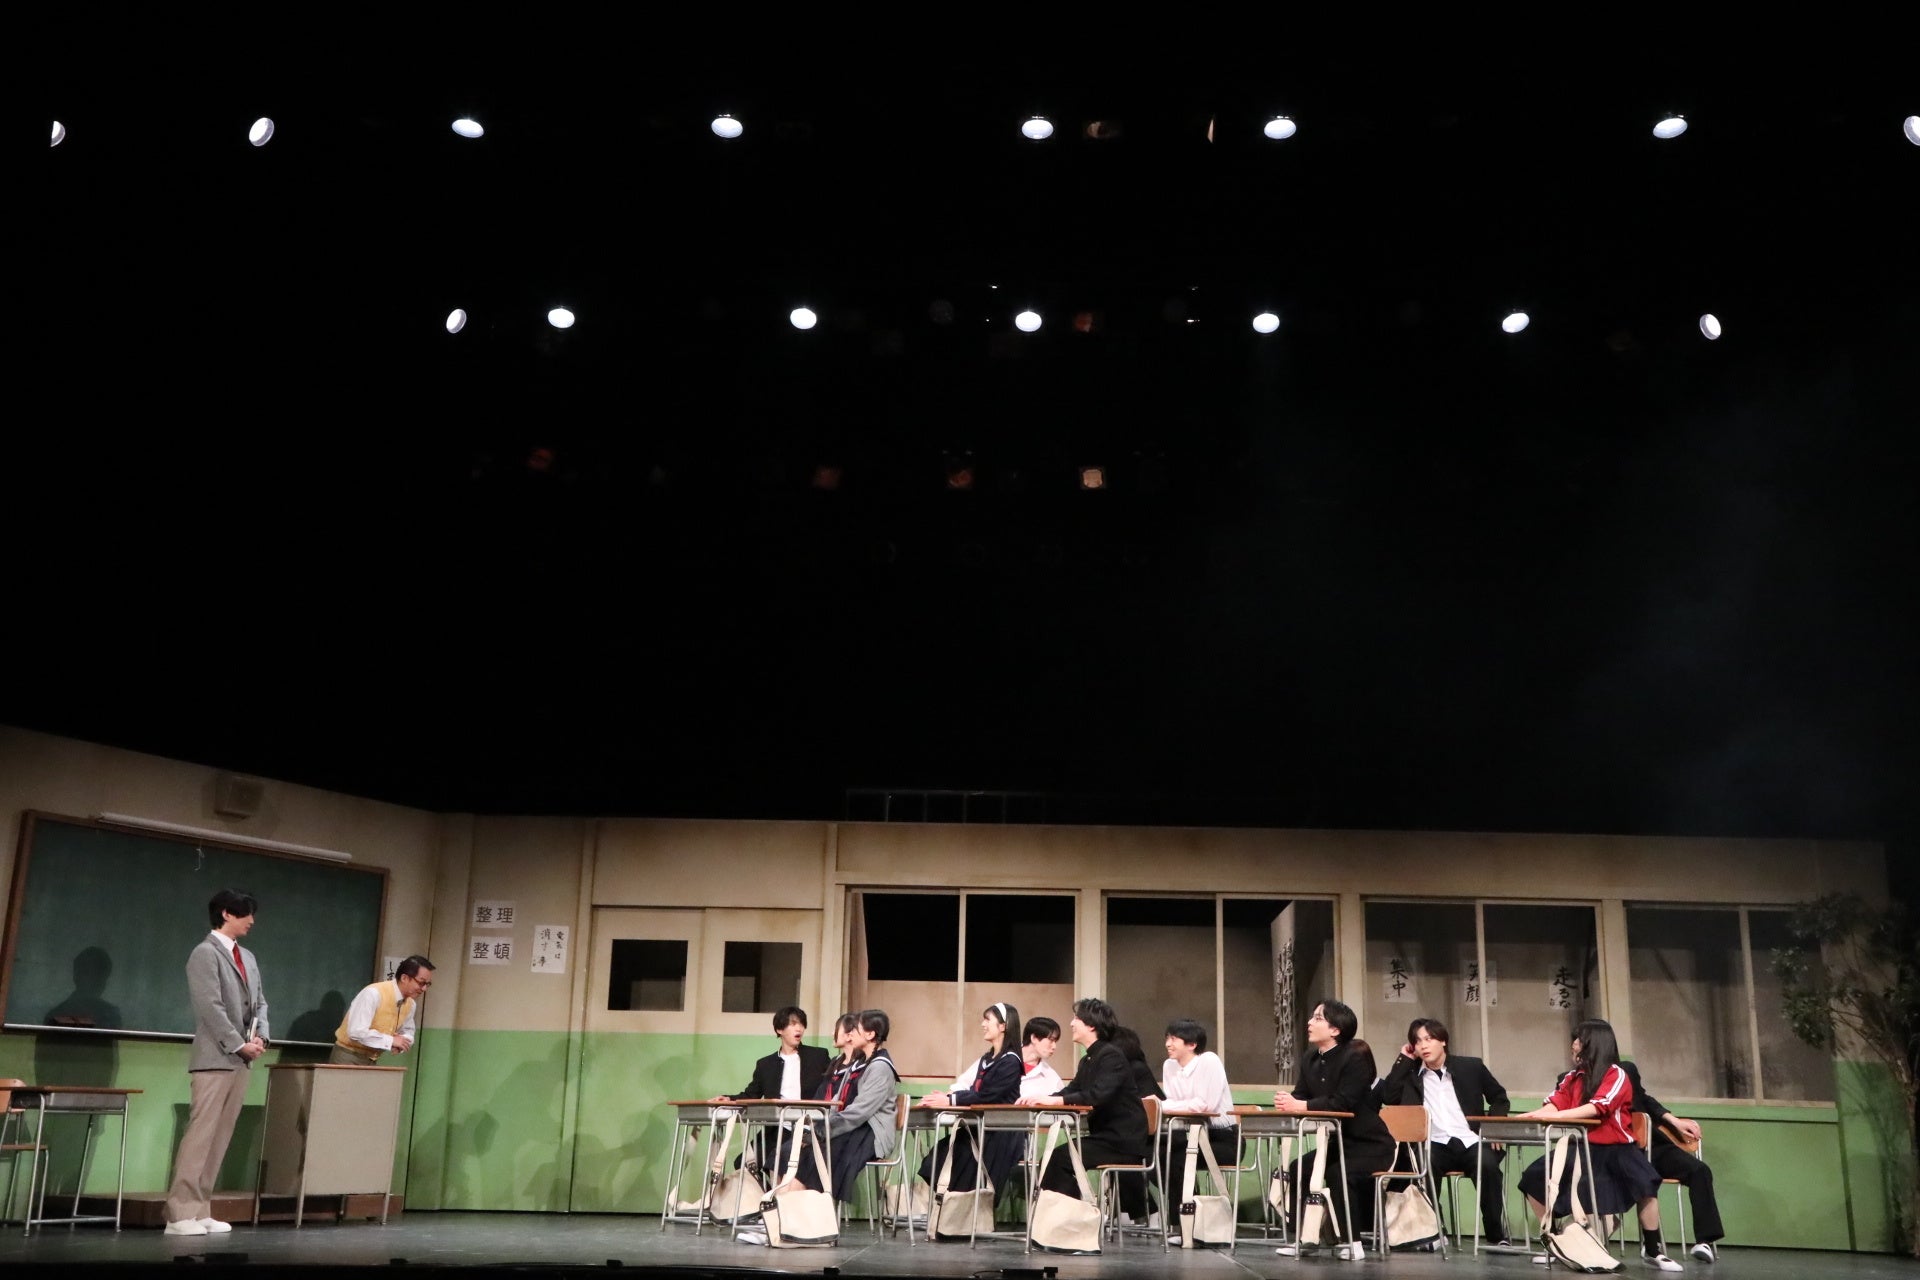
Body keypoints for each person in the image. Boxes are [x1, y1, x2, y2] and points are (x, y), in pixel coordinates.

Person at [1516, 1019, 1681, 1272]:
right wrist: (1532, 1115)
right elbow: (1555, 1104)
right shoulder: (1573, 1077)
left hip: (1617, 1148)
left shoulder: (1617, 1075)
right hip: (1582, 1147)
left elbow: (1598, 1107)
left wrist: (1560, 1116)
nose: (1573, 1045)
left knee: (1646, 1184)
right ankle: (1557, 1243)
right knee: (1533, 1178)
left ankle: (1653, 1250)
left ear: (1594, 1043)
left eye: (1578, 1040)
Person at [163, 889, 268, 1236]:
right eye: (246, 913)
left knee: (220, 1137)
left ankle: (200, 1209)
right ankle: (179, 1214)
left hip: (240, 1060)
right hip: (215, 1058)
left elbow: (261, 1003)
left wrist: (260, 1037)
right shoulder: (204, 953)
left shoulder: (247, 957)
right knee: (201, 1135)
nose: (251, 921)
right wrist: (238, 1044)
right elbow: (210, 1006)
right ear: (226, 914)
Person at [1272, 999, 1394, 1257]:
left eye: (1318, 1018)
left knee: (1340, 1173)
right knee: (1299, 1168)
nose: (1310, 1022)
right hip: (1338, 1144)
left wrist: (1302, 1105)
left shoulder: (1354, 1058)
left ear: (1335, 1029)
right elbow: (1302, 1094)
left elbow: (1343, 1102)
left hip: (1370, 1145)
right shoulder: (1310, 1058)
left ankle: (1353, 1243)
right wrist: (1288, 1101)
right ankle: (1306, 1239)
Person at [1378, 1015, 1513, 1245]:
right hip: (1434, 1142)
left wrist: (1495, 1126)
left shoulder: (1471, 1067)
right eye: (1417, 1041)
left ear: (1443, 1041)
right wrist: (1404, 1059)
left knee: (1488, 1166)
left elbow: (1499, 1097)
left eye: (1429, 1039)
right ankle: (1435, 1230)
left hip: (1469, 1139)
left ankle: (1495, 1234)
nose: (1423, 1045)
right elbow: (1389, 1097)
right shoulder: (1411, 1074)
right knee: (1425, 1165)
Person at [1021, 997, 1150, 1210]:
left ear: (1091, 1025)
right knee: (1053, 1159)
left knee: (1057, 1160)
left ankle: (1077, 1215)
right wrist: (1041, 1100)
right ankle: (1074, 1214)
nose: (1071, 1023)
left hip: (1121, 1141)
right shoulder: (1089, 1059)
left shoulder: (1111, 1056)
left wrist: (1055, 1100)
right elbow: (1072, 1090)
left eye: (1076, 1019)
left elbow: (1097, 1095)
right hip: (1104, 1138)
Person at [784, 1008, 899, 1203]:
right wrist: (816, 1128)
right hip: (853, 1128)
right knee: (804, 1152)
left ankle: (810, 1213)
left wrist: (822, 1130)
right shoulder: (859, 1063)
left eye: (856, 1030)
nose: (851, 1034)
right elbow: (838, 1103)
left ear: (870, 1034)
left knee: (823, 1153)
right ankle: (791, 1213)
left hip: (870, 1133)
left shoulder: (880, 1067)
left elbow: (859, 1112)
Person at [1621, 1059, 1724, 1263]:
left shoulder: (1630, 1078)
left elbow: (1648, 1102)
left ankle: (1704, 1241)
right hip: (1629, 1150)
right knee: (1646, 1180)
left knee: (1700, 1171)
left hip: (1657, 1147)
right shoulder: (1598, 1091)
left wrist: (1675, 1122)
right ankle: (1652, 1243)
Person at [918, 1001, 1023, 1198]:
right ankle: (951, 1206)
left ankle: (963, 1209)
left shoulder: (1010, 1061)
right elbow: (975, 1091)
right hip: (981, 1127)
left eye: (988, 1020)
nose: (983, 1024)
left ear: (1003, 1026)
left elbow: (989, 1097)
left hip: (1000, 1132)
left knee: (962, 1158)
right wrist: (946, 1098)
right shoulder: (988, 1058)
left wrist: (951, 1100)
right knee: (937, 1158)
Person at [711, 1005, 832, 1175]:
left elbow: (830, 1086)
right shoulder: (765, 1064)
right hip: (777, 1127)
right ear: (779, 1030)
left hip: (807, 1126)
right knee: (743, 1162)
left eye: (801, 1024)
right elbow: (751, 1094)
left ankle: (781, 1190)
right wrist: (729, 1099)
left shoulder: (818, 1056)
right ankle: (768, 1191)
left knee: (779, 1162)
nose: (799, 1029)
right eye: (793, 1024)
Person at [1161, 1018, 1240, 1184]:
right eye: (1167, 1038)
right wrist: (1168, 1105)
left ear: (1192, 1044)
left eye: (1174, 1039)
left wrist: (1164, 1105)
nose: (1168, 1044)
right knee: (1161, 1153)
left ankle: (1185, 1201)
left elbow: (1204, 1106)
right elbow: (1172, 1104)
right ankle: (1184, 1200)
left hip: (1224, 1140)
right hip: (1191, 1137)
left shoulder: (1209, 1060)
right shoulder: (1169, 1066)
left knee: (1175, 1156)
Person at [331, 955, 434, 1065]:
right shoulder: (373, 993)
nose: (424, 989)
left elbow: (408, 1031)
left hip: (372, 1059)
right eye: (421, 983)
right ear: (404, 978)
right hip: (348, 1056)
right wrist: (391, 1040)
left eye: (428, 984)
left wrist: (401, 1043)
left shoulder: (411, 1004)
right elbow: (356, 1032)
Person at [1018, 1016, 1066, 1099]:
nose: (1054, 1046)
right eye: (1051, 1040)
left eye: (1055, 1041)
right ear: (1034, 1038)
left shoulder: (1052, 1078)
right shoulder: (1003, 1059)